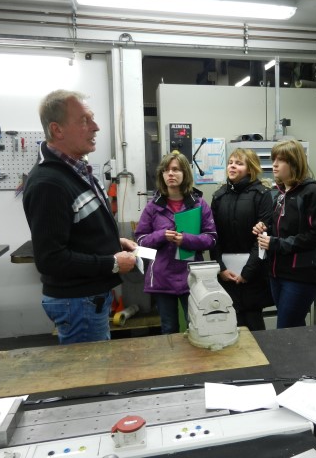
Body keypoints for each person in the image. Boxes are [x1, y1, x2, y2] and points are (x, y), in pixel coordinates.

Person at [23, 89, 138, 344]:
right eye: (85, 120)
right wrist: (112, 262)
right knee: (92, 368)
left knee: (97, 364)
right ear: (57, 130)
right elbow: (51, 259)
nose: (96, 127)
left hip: (87, 300)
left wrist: (113, 243)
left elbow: (78, 230)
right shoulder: (49, 183)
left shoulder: (76, 170)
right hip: (78, 302)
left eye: (92, 118)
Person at [134, 151, 217, 334]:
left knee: (196, 326)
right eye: (166, 170)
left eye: (176, 169)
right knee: (169, 328)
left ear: (185, 173)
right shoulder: (152, 207)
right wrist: (161, 235)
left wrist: (186, 239)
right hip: (162, 277)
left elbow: (211, 238)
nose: (170, 173)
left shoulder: (199, 204)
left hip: (192, 277)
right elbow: (140, 242)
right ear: (161, 175)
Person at [254, 139, 316, 328]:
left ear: (295, 163)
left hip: (301, 274)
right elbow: (279, 226)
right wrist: (264, 227)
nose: (274, 164)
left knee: (286, 327)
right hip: (277, 272)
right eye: (273, 159)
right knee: (293, 327)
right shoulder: (280, 193)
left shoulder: (313, 193)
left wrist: (276, 244)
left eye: (281, 160)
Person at [210, 148, 273, 331]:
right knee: (230, 322)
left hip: (253, 272)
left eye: (239, 163)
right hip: (226, 273)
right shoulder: (219, 196)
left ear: (250, 168)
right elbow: (213, 236)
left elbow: (262, 238)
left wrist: (248, 272)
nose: (232, 166)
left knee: (254, 323)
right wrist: (221, 268)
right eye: (230, 162)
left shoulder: (262, 194)